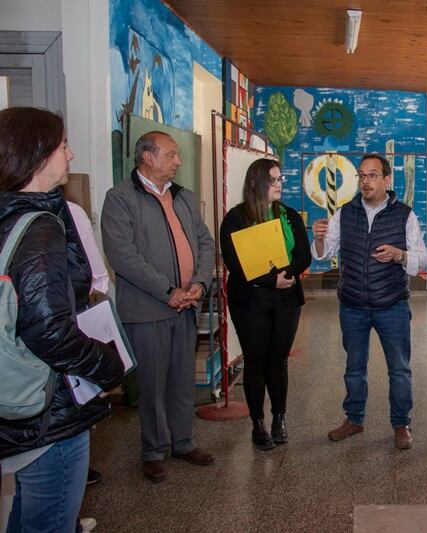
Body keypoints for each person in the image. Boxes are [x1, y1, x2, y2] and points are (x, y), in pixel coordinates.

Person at [0, 106, 124, 532]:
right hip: (46, 410)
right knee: (51, 521)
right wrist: (107, 365)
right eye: (63, 146)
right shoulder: (40, 229)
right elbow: (50, 331)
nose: (70, 156)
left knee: (27, 516)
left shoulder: (9, 215)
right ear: (36, 155)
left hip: (16, 398)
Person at [101, 131, 215, 482]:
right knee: (151, 384)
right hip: (148, 308)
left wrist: (198, 283)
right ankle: (153, 450)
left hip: (186, 306)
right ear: (147, 157)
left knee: (181, 380)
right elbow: (123, 257)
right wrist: (167, 291)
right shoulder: (120, 198)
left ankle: (183, 442)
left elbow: (205, 243)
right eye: (171, 155)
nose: (178, 162)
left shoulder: (183, 197)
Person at [312, 154, 427, 450]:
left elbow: (422, 258)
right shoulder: (344, 213)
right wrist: (320, 238)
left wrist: (399, 255)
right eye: (362, 176)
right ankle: (354, 419)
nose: (365, 181)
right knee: (354, 368)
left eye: (373, 175)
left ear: (387, 179)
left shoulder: (404, 214)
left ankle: (401, 423)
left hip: (392, 305)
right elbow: (324, 255)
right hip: (352, 304)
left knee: (399, 369)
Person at [220, 158, 311, 450]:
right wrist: (270, 281)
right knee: (256, 361)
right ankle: (258, 423)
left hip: (287, 300)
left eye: (280, 178)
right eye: (273, 180)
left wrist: (287, 275)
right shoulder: (236, 218)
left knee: (278, 360)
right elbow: (234, 261)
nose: (279, 184)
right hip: (251, 301)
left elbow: (304, 255)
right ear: (255, 183)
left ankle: (279, 418)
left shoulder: (290, 216)